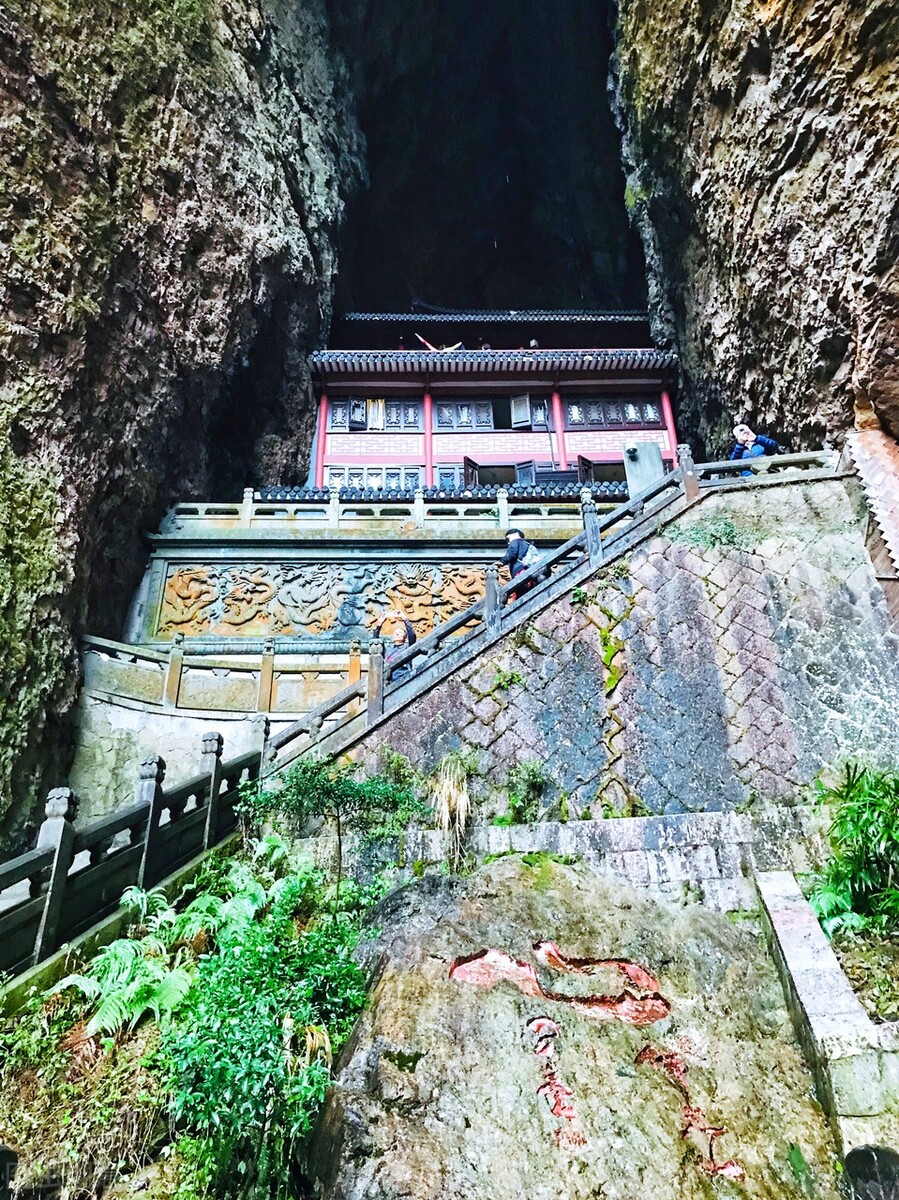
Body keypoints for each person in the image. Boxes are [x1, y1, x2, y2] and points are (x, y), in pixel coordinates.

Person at [375, 608, 417, 682]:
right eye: (395, 633)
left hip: (404, 676)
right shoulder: (388, 649)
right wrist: (379, 625)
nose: (397, 634)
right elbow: (375, 641)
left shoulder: (408, 647)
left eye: (400, 633)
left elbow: (412, 635)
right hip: (389, 678)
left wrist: (404, 618)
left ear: (405, 637)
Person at [501, 528, 542, 602]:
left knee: (520, 593)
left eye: (508, 538)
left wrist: (502, 562)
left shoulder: (515, 542)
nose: (508, 542)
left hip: (520, 571)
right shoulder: (527, 544)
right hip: (530, 571)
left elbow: (512, 553)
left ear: (515, 534)